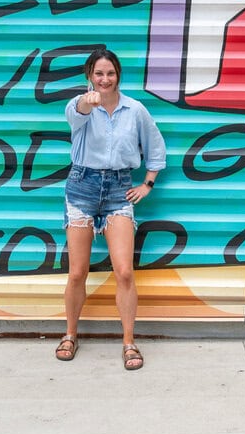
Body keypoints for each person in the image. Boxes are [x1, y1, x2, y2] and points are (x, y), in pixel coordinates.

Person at [55, 47, 165, 370]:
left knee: (125, 272)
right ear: (90, 77)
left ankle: (129, 342)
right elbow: (74, 113)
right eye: (99, 73)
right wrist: (85, 102)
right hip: (82, 187)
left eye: (110, 73)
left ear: (118, 76)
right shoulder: (81, 106)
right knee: (77, 272)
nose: (105, 79)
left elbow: (156, 148)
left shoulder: (135, 110)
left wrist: (147, 184)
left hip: (119, 189)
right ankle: (71, 334)